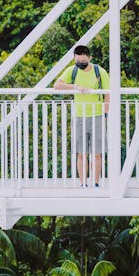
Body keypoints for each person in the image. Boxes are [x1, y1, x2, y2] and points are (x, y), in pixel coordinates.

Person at [54, 45, 110, 187]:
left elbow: (108, 92)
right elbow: (57, 85)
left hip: (97, 115)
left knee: (97, 153)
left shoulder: (100, 71)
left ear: (89, 58)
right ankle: (83, 183)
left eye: (83, 61)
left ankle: (96, 182)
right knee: (81, 153)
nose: (80, 64)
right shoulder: (72, 71)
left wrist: (106, 112)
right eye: (78, 61)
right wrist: (75, 87)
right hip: (79, 116)